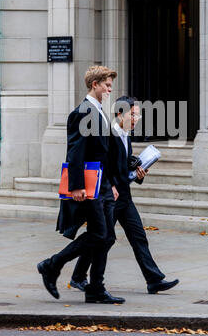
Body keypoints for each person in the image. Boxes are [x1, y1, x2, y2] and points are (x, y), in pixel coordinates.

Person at [69, 96, 179, 296]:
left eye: (138, 115)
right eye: (133, 114)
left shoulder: (125, 134)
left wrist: (138, 171)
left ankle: (153, 279)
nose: (136, 119)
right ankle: (78, 277)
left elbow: (122, 163)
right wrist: (109, 185)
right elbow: (101, 163)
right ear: (120, 114)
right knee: (101, 238)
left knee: (138, 236)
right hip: (109, 197)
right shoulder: (108, 134)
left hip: (124, 196)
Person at [37, 65, 126, 304]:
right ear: (94, 84)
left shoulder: (98, 111)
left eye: (110, 85)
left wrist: (113, 184)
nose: (109, 89)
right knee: (99, 234)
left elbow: (104, 153)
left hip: (103, 186)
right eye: (106, 85)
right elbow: (76, 151)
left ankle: (95, 288)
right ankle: (51, 265)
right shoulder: (83, 112)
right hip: (88, 187)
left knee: (106, 237)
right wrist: (76, 186)